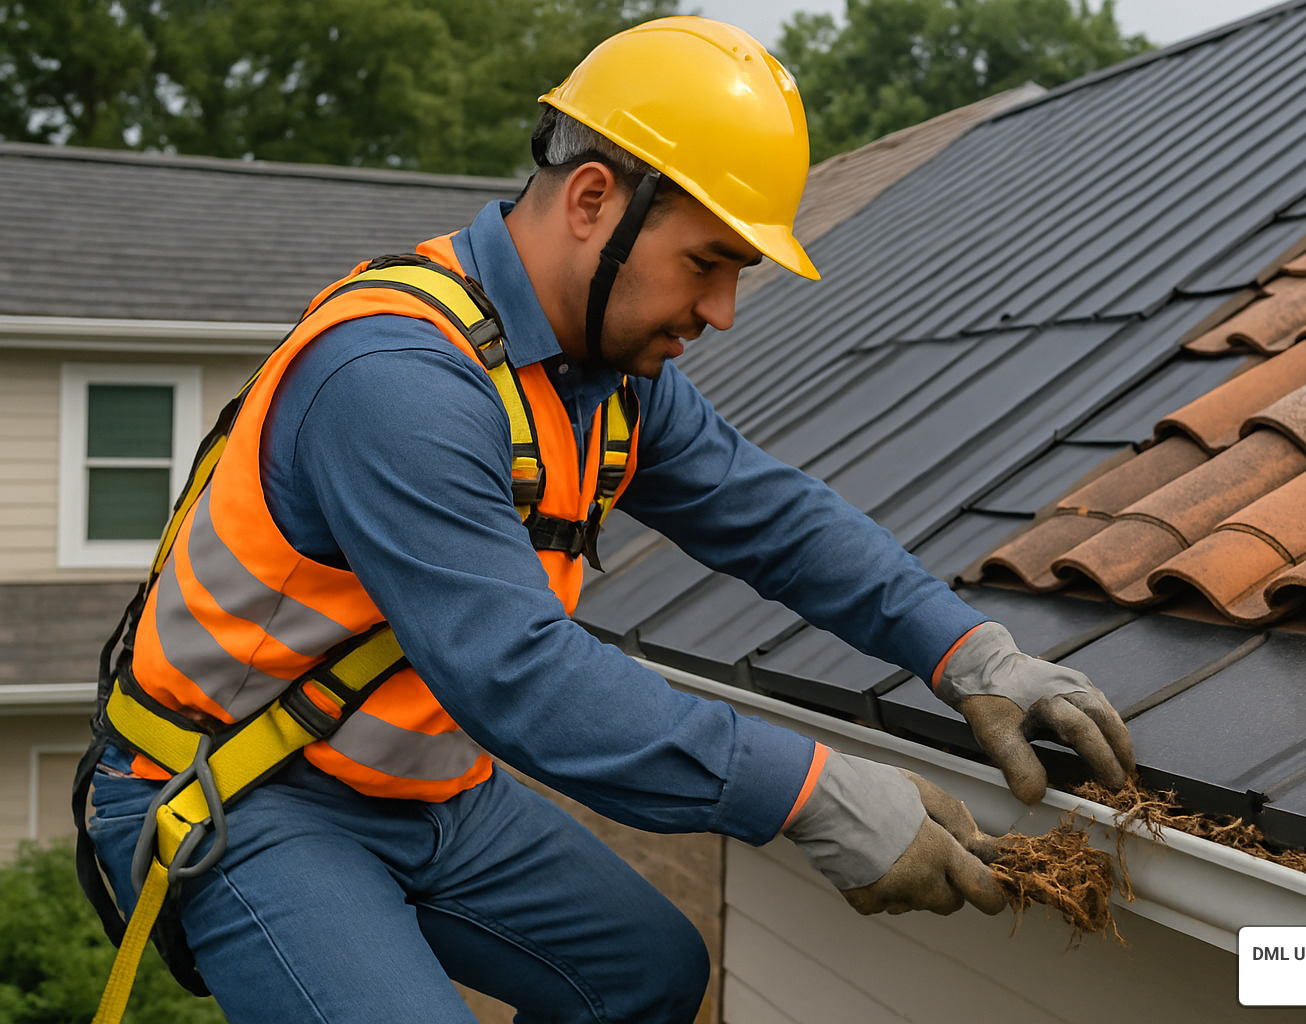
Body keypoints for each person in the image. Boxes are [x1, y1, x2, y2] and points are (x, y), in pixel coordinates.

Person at [81, 17, 1135, 1024]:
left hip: (420, 789)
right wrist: (814, 792)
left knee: (647, 976)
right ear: (593, 200)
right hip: (242, 789)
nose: (720, 312)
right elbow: (520, 675)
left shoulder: (603, 377)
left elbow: (772, 517)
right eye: (707, 262)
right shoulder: (396, 378)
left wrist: (968, 651)